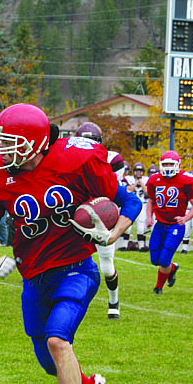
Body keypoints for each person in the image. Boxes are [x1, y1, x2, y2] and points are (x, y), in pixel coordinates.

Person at [0, 104, 141, 384]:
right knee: (49, 361)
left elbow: (131, 202)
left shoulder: (74, 162)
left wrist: (111, 236)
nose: (0, 150)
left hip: (76, 269)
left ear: (33, 144)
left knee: (58, 340)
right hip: (33, 279)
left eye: (9, 142)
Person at [74, 121, 129, 319]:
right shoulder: (67, 159)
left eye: (92, 142)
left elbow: (111, 191)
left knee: (106, 266)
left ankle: (113, 300)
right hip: (76, 215)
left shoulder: (112, 160)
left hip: (101, 216)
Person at [146, 150, 193, 294]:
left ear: (178, 164)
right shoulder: (154, 179)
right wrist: (149, 217)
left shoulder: (186, 180)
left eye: (171, 164)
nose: (168, 167)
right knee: (155, 260)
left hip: (176, 225)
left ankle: (158, 287)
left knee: (164, 260)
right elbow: (151, 201)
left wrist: (186, 218)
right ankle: (173, 268)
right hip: (160, 224)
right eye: (166, 164)